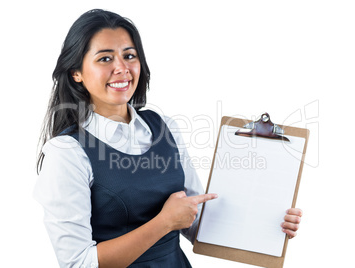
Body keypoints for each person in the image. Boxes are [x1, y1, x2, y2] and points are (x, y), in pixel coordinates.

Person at [34, 9, 302, 268]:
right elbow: (78, 263)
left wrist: (269, 225)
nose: (122, 68)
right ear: (76, 73)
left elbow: (198, 225)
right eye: (105, 59)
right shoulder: (66, 152)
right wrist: (164, 222)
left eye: (129, 55)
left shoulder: (165, 127)